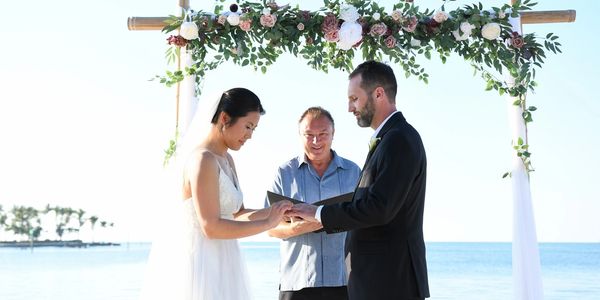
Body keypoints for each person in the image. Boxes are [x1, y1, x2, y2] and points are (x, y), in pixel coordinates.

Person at [289, 61, 430, 300]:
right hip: (379, 281)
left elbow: (379, 208)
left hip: (389, 282)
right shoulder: (390, 138)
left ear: (378, 94)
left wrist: (319, 213)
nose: (349, 108)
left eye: (354, 98)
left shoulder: (398, 140)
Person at [139, 88, 292, 300]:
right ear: (224, 118)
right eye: (247, 126)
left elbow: (237, 213)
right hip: (201, 264)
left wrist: (274, 212)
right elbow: (210, 226)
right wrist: (268, 224)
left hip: (226, 262)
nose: (249, 135)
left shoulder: (227, 160)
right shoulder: (203, 160)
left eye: (254, 129)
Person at [266, 107, 361, 300]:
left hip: (345, 281)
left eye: (323, 134)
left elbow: (365, 217)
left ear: (333, 134)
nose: (316, 141)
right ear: (300, 136)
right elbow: (270, 228)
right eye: (309, 135)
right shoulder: (284, 173)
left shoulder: (353, 172)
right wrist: (302, 226)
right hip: (297, 283)